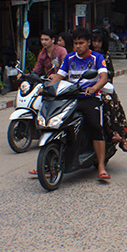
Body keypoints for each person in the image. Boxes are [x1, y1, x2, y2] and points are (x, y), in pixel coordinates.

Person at [49, 27, 111, 180]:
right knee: (54, 122)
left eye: (81, 43)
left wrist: (94, 88)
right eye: (75, 43)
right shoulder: (69, 58)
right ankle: (49, 162)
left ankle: (101, 167)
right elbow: (59, 76)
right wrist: (46, 88)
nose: (78, 46)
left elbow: (103, 77)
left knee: (96, 127)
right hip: (71, 98)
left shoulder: (97, 58)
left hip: (90, 98)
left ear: (88, 43)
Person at [92, 28, 127, 152]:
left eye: (99, 41)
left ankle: (120, 136)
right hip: (85, 89)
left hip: (102, 89)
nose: (96, 44)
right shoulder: (84, 56)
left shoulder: (105, 56)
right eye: (94, 41)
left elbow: (110, 74)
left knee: (113, 104)